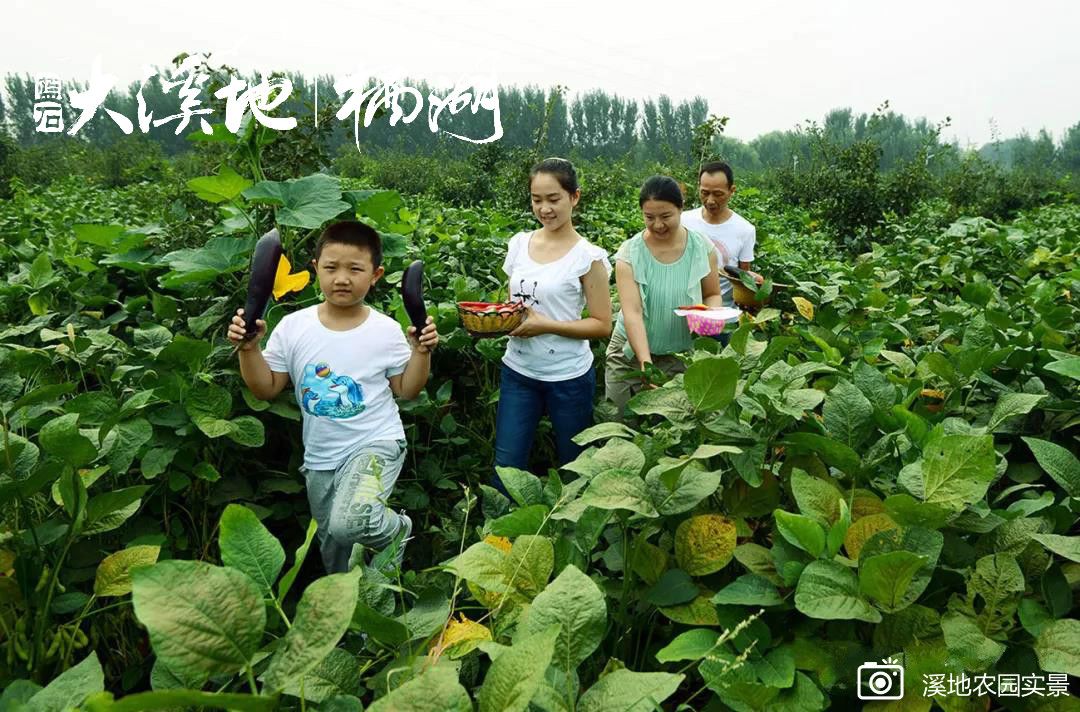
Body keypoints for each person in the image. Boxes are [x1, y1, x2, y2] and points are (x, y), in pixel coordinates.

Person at [227, 220, 439, 574]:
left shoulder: (385, 329)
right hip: (320, 458)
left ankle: (398, 530)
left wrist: (421, 352)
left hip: (375, 443)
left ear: (375, 275)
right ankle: (360, 619)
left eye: (355, 269)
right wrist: (250, 348)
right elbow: (266, 388)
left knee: (350, 522)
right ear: (315, 270)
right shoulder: (294, 327)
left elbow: (407, 389)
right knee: (334, 546)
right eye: (331, 268)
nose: (342, 278)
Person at [494, 157, 613, 492]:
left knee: (575, 465)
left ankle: (575, 538)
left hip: (568, 378)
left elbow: (602, 325)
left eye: (553, 199)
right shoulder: (519, 244)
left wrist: (546, 325)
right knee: (507, 465)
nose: (544, 209)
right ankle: (498, 538)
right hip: (518, 371)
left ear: (574, 197)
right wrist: (500, 319)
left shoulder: (588, 258)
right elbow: (515, 303)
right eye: (537, 200)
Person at [605, 175, 724, 417]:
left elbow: (712, 294)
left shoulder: (702, 248)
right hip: (628, 355)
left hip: (680, 355)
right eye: (649, 218)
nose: (658, 224)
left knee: (674, 432)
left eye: (666, 216)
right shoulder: (630, 253)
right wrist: (646, 363)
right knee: (621, 425)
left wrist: (710, 317)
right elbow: (633, 313)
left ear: (681, 208)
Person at [681, 160, 762, 303]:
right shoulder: (683, 221)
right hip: (685, 305)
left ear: (732, 191)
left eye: (718, 194)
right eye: (705, 193)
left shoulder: (745, 230)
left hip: (725, 311)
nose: (710, 200)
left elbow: (742, 277)